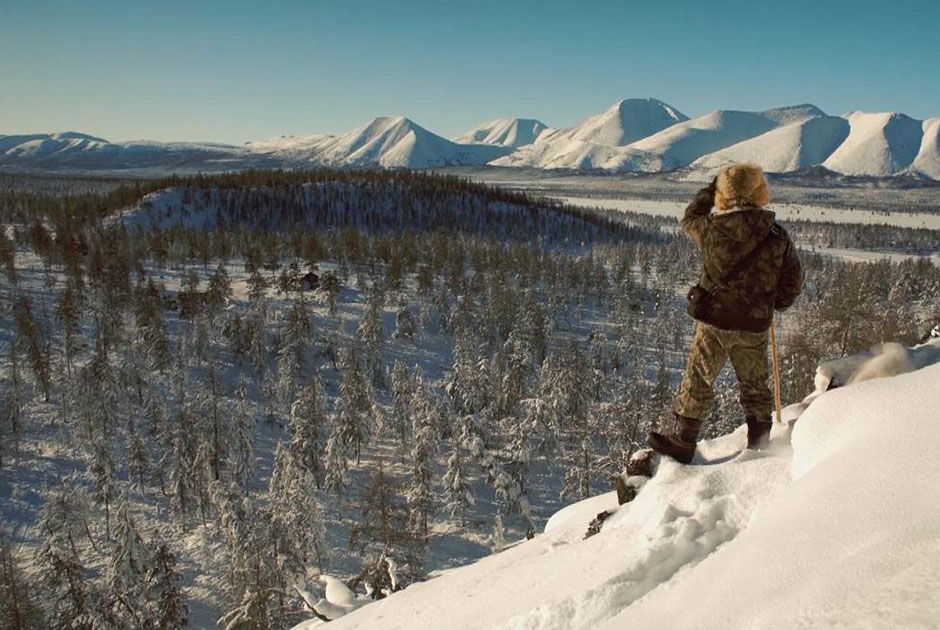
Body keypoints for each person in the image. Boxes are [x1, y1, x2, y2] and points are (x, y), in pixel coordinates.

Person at [648, 163, 803, 464]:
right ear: (759, 193)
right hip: (754, 324)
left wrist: (710, 189)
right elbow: (793, 280)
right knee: (755, 383)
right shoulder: (776, 235)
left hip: (715, 321)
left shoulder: (711, 229)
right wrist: (777, 303)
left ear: (723, 196)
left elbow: (691, 216)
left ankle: (684, 440)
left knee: (699, 378)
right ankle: (759, 444)